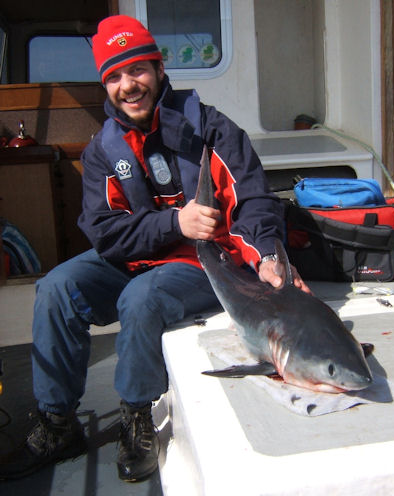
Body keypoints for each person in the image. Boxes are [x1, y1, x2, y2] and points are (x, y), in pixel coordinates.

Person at [0, 15, 309, 483]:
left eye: (138, 70)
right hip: (136, 257)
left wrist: (267, 255)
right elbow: (105, 233)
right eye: (115, 76)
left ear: (159, 69)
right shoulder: (104, 149)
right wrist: (174, 220)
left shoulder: (214, 130)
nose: (129, 85)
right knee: (57, 287)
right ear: (105, 85)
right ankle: (57, 422)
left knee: (141, 297)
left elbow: (255, 204)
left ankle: (136, 413)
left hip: (204, 264)